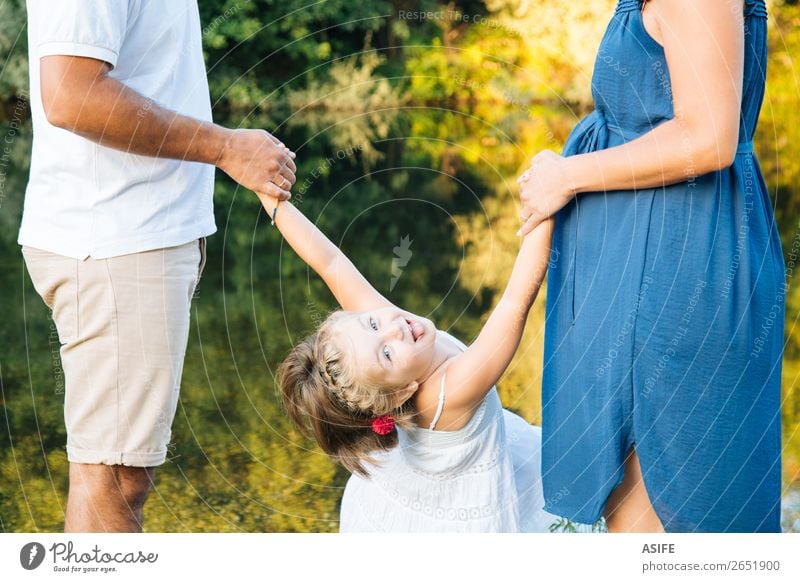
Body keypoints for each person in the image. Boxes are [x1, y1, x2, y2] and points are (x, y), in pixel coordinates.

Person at [20, 0, 296, 532]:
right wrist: (226, 148)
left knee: (118, 473)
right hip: (115, 239)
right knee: (114, 480)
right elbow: (69, 96)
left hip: (132, 235)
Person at [517, 0, 783, 532]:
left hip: (672, 275)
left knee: (683, 517)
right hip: (643, 272)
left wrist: (570, 177)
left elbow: (707, 136)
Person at [255, 191, 564, 532]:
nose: (393, 329)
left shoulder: (384, 330)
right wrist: (547, 200)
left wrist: (270, 199)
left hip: (459, 466)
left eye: (371, 322)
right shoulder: (454, 390)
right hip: (457, 508)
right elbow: (516, 303)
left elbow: (329, 261)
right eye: (386, 355)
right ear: (402, 394)